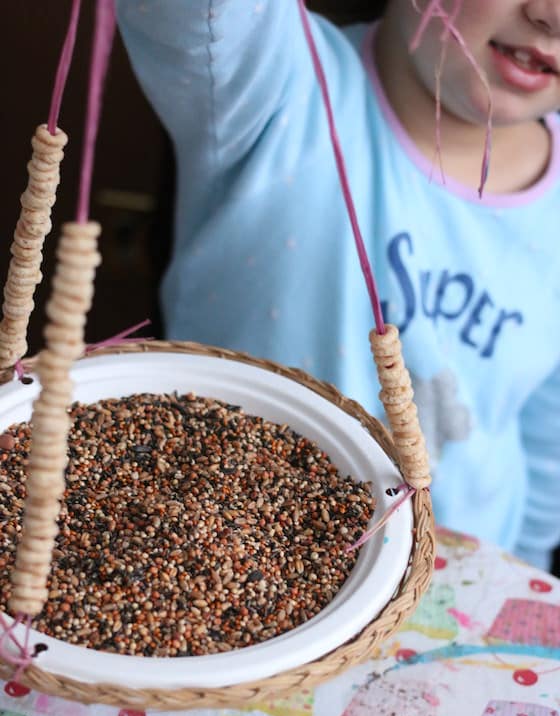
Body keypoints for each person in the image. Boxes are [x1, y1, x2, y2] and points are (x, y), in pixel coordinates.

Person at [115, 0, 560, 570]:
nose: (550, 16)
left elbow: (545, 441)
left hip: (462, 591)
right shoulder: (276, 84)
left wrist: (525, 579)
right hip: (231, 573)